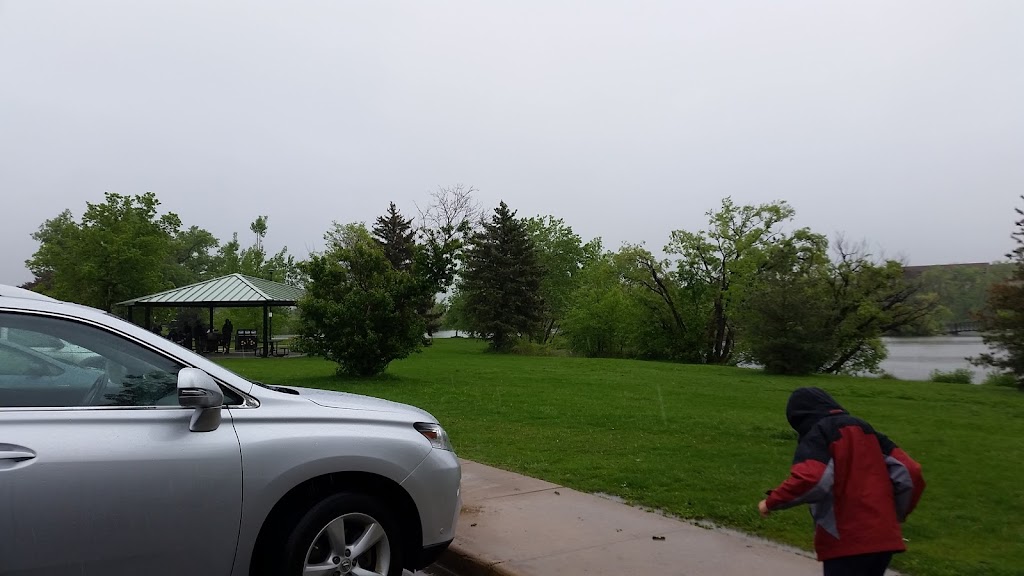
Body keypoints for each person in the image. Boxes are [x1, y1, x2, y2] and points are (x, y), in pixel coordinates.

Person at [758, 387, 925, 576]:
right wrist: (895, 514)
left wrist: (772, 502)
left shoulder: (819, 433)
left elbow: (813, 478)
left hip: (846, 540)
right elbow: (911, 471)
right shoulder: (866, 429)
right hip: (884, 539)